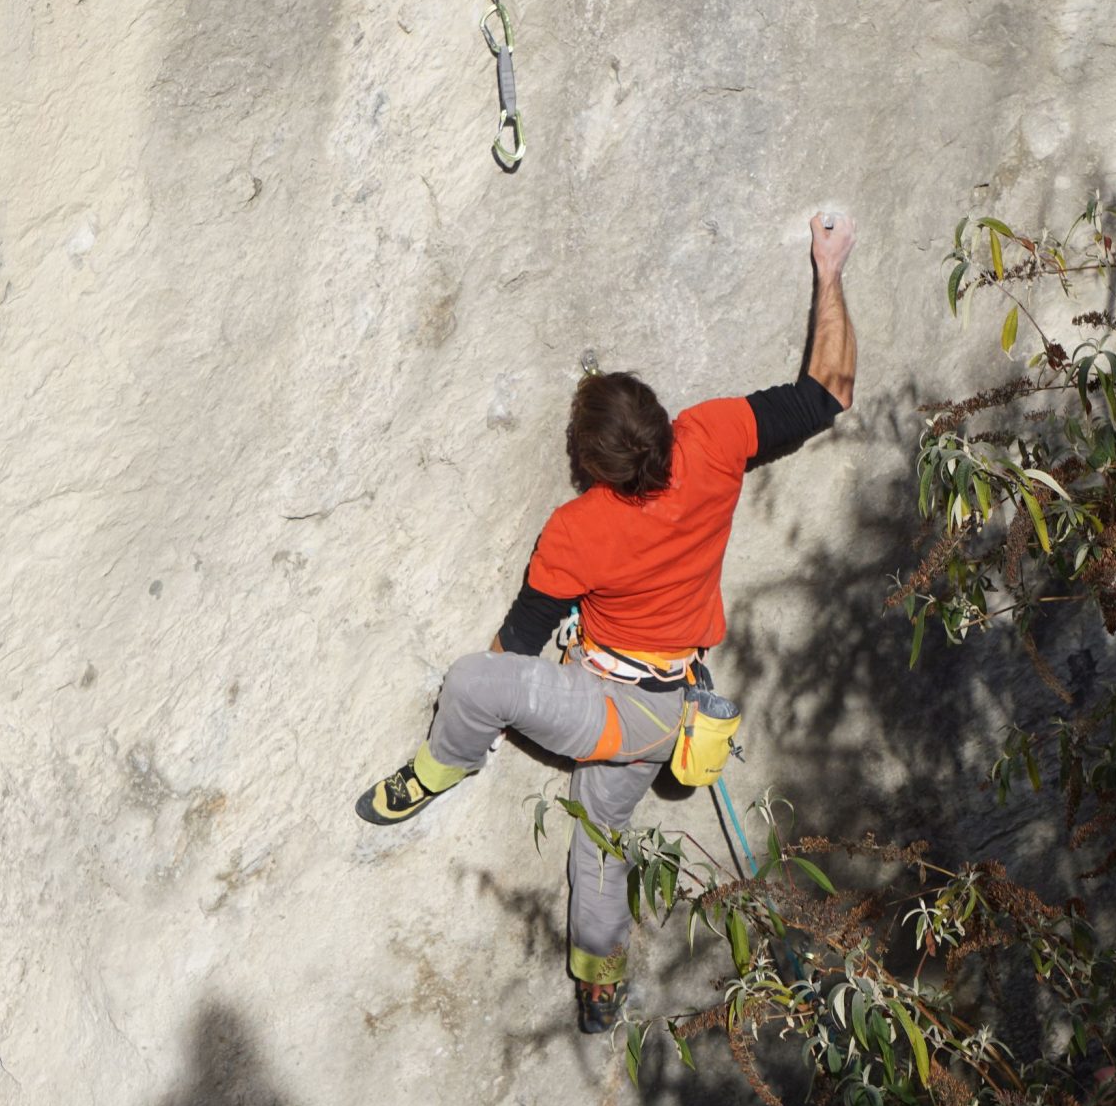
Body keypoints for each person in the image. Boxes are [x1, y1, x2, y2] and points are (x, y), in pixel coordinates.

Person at [355, 212, 859, 1033]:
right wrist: (829, 269)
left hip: (603, 706)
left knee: (474, 684)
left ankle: (443, 768)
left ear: (594, 468)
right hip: (672, 712)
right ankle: (599, 986)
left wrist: (499, 705)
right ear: (663, 419)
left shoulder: (580, 527)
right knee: (600, 838)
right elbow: (827, 391)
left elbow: (516, 642)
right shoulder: (716, 436)